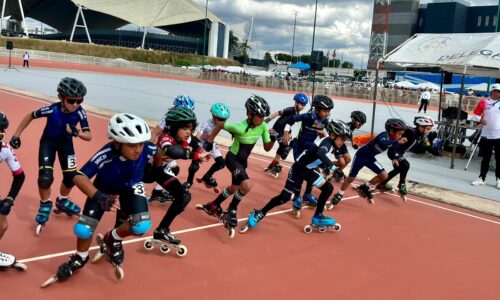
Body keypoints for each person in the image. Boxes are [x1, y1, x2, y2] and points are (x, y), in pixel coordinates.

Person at [44, 113, 155, 284]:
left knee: (142, 225)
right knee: (83, 229)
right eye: (132, 145)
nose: (138, 150)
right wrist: (99, 196)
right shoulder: (107, 152)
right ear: (117, 142)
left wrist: (163, 163)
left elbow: (160, 150)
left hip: (131, 185)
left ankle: (113, 238)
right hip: (104, 188)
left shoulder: (146, 148)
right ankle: (80, 258)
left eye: (141, 143)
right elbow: (78, 176)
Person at [9, 77, 92, 235]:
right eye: (71, 100)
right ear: (61, 97)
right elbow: (30, 115)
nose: (76, 104)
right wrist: (16, 135)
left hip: (66, 145)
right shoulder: (52, 110)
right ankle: (45, 204)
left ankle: (62, 200)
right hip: (48, 144)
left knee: (71, 178)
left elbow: (89, 136)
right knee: (45, 178)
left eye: (79, 101)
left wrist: (78, 132)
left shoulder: (80, 112)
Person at [241, 120, 350, 231]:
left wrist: (327, 168)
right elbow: (320, 154)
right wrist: (333, 168)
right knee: (284, 197)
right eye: (342, 139)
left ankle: (318, 216)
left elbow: (316, 158)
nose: (343, 142)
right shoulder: (327, 143)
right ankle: (259, 213)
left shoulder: (330, 143)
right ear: (332, 135)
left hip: (308, 171)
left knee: (328, 188)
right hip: (298, 170)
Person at [197, 95, 275, 238]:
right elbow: (220, 124)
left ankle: (214, 205)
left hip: (242, 162)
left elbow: (267, 148)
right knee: (247, 185)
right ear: (250, 114)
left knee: (234, 188)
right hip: (232, 159)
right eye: (259, 116)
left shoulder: (263, 126)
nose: (262, 119)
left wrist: (275, 138)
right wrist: (209, 141)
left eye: (264, 117)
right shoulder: (239, 127)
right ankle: (231, 209)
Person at [152, 106, 210, 244]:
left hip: (159, 170)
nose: (189, 132)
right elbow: (172, 151)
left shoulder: (181, 138)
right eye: (185, 128)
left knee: (183, 196)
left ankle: (162, 229)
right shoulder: (165, 138)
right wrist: (196, 155)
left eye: (190, 128)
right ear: (174, 127)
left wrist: (201, 155)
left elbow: (193, 145)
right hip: (143, 170)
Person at [327, 118, 407, 208]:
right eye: (399, 134)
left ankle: (365, 187)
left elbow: (393, 150)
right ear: (392, 131)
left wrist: (394, 158)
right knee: (351, 177)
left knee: (384, 176)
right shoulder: (383, 136)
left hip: (370, 158)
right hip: (361, 156)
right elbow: (383, 142)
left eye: (401, 135)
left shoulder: (393, 141)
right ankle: (339, 194)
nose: (400, 136)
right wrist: (397, 141)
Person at [286, 95, 333, 209]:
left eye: (329, 111)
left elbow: (330, 134)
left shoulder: (324, 121)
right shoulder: (307, 117)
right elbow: (290, 120)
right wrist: (286, 132)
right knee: (301, 172)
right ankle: (297, 196)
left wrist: (324, 134)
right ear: (316, 109)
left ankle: (307, 194)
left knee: (313, 170)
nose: (328, 114)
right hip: (299, 148)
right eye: (325, 111)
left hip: (311, 150)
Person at [376, 116, 441, 199]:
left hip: (399, 153)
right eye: (428, 129)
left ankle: (382, 184)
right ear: (420, 126)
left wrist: (437, 153)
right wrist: (394, 158)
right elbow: (400, 129)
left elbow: (428, 147)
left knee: (398, 169)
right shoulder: (410, 131)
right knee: (406, 165)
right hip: (393, 151)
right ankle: (401, 184)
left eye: (430, 129)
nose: (429, 131)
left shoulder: (422, 136)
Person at [149, 95, 196, 203]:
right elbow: (155, 133)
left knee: (174, 169)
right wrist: (152, 149)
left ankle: (157, 191)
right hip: (163, 148)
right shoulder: (168, 119)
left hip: (172, 148)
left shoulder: (186, 122)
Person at [0, 112, 27, 271]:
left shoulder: (5, 150)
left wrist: (10, 198)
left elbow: (20, 177)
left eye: (1, 129)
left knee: (2, 225)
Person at [263, 93, 308, 178]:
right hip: (277, 129)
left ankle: (274, 163)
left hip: (283, 131)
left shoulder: (297, 114)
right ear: (296, 103)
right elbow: (277, 113)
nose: (303, 107)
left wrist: (289, 134)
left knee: (281, 145)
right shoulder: (290, 109)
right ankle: (274, 163)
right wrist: (266, 121)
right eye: (301, 105)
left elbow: (289, 124)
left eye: (304, 105)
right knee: (283, 145)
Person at [193, 103, 231, 192]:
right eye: (221, 119)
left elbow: (233, 129)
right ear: (214, 116)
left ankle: (207, 176)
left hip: (211, 143)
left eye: (225, 119)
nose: (224, 121)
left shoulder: (223, 123)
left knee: (221, 163)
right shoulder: (206, 124)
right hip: (202, 144)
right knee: (195, 165)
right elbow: (197, 137)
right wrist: (198, 149)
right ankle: (189, 181)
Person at [471, 83, 500, 188]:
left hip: (499, 135)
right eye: (498, 91)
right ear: (494, 91)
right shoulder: (483, 102)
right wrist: (480, 120)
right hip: (486, 134)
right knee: (485, 158)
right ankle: (482, 178)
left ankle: (498, 179)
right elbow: (475, 115)